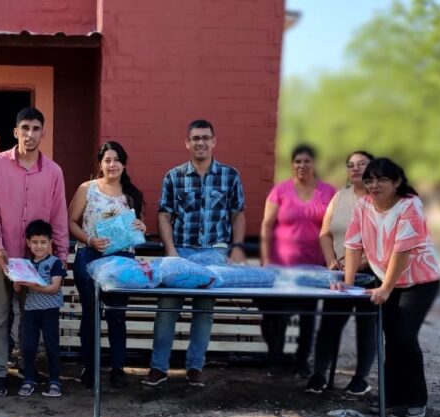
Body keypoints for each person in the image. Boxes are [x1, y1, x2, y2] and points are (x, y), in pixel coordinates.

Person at [142, 119, 246, 388]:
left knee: (204, 310)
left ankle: (195, 366)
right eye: (195, 138)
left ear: (214, 141)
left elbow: (238, 215)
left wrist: (236, 248)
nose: (201, 142)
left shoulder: (230, 175)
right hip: (181, 251)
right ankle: (158, 367)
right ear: (187, 143)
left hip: (214, 252)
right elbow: (164, 216)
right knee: (167, 309)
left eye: (206, 138)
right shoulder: (174, 177)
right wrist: (172, 252)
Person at [338, 157, 440, 417]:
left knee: (405, 337)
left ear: (396, 182)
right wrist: (348, 283)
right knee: (392, 339)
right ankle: (392, 397)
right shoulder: (363, 206)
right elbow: (353, 245)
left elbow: (402, 249)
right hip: (387, 279)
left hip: (419, 281)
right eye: (370, 179)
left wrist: (385, 287)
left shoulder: (410, 205)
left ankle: (417, 398)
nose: (374, 184)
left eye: (382, 179)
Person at [0, 107, 68, 396]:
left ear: (43, 133)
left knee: (30, 316)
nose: (29, 134)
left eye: (35, 129)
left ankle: (27, 370)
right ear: (15, 131)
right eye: (25, 128)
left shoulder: (54, 172)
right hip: (3, 256)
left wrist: (61, 259)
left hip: (38, 260)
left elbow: (59, 217)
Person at [68, 141, 147, 389]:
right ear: (100, 164)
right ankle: (90, 368)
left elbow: (138, 228)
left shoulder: (132, 194)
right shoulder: (87, 189)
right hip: (90, 255)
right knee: (91, 314)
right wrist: (89, 239)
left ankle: (117, 368)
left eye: (117, 160)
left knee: (117, 314)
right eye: (107, 160)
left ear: (124, 164)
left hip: (122, 259)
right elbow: (69, 221)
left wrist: (142, 228)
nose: (112, 165)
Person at [257, 144, 336, 377]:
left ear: (314, 164)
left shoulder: (328, 192)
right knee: (277, 314)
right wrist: (265, 260)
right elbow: (267, 226)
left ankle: (302, 361)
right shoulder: (280, 191)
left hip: (314, 265)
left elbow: (335, 227)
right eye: (297, 161)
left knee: (308, 315)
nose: (302, 165)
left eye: (307, 161)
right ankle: (276, 359)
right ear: (292, 165)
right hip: (281, 266)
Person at [306, 151, 378, 394]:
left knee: (366, 325)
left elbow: (384, 241)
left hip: (371, 273)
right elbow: (325, 233)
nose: (355, 168)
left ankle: (361, 379)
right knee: (329, 323)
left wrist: (358, 264)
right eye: (350, 165)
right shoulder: (340, 197)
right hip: (338, 273)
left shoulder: (379, 199)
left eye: (362, 164)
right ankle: (319, 375)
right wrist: (331, 263)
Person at [14, 220, 66, 398]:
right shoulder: (25, 264)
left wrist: (33, 285)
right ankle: (28, 379)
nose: (39, 246)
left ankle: (54, 381)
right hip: (30, 310)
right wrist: (15, 276)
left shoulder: (55, 263)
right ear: (28, 242)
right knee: (28, 346)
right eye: (35, 242)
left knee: (52, 345)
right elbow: (17, 289)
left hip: (50, 310)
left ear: (50, 242)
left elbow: (54, 288)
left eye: (43, 242)